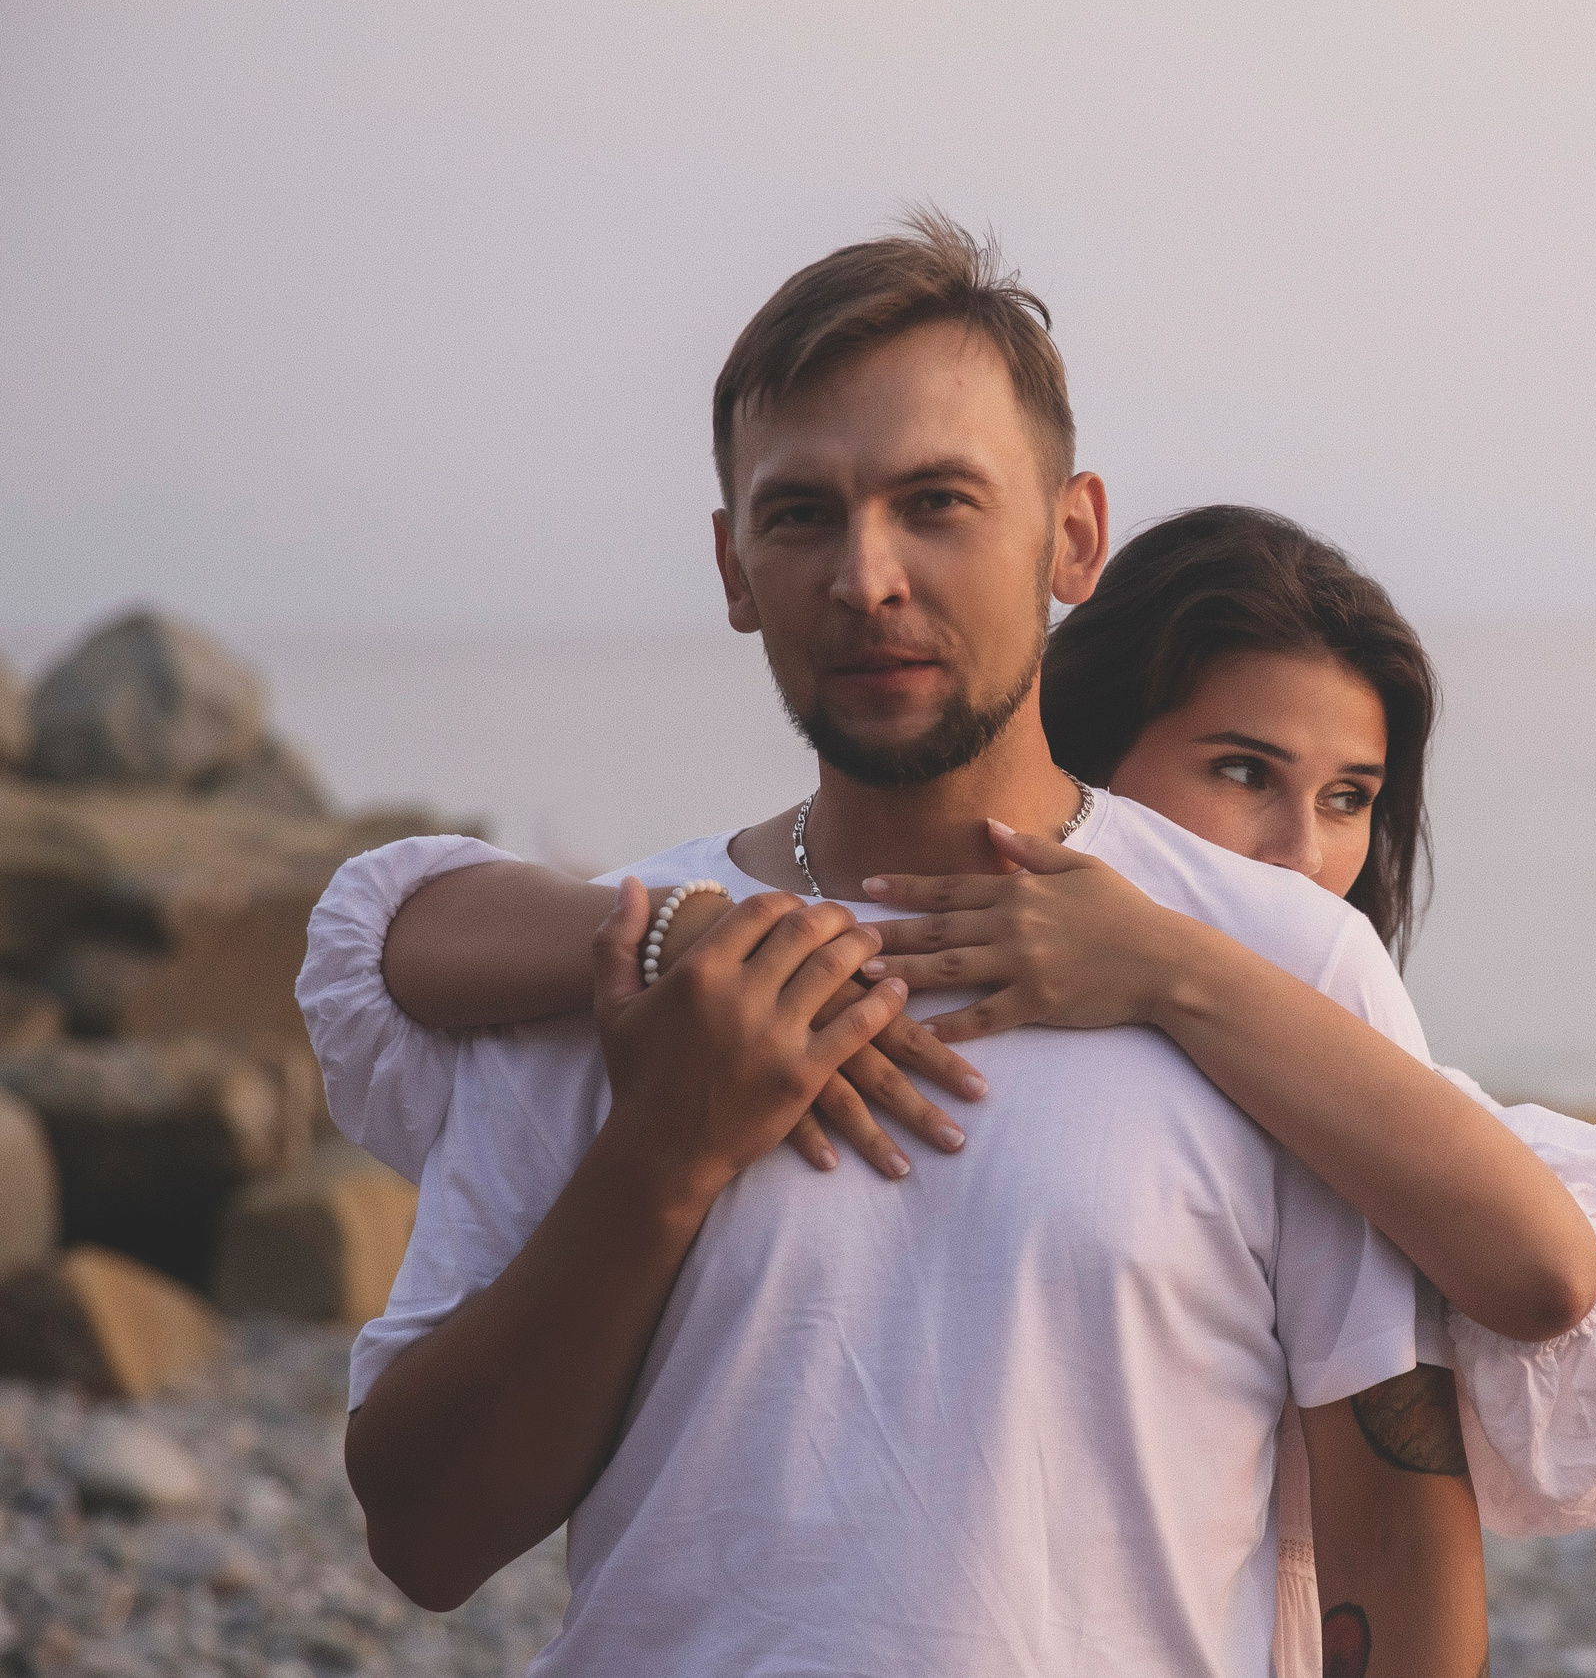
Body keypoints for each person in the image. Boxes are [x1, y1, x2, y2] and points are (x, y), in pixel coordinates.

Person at [315, 215, 1501, 1676]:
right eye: (802, 514)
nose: (865, 576)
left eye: (937, 503)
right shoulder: (623, 968)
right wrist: (666, 1152)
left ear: (1072, 537)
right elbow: (423, 1537)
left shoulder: (1274, 976)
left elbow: (1392, 1527)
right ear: (733, 567)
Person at [312, 507, 1596, 1674]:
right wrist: (697, 940)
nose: (1301, 851)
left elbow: (1538, 1285)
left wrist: (1172, 965)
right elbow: (403, 930)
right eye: (1243, 773)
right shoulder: (736, 976)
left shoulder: (1313, 1034)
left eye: (1351, 797)